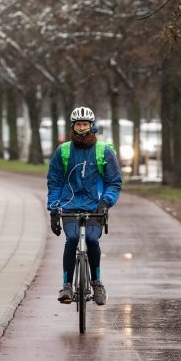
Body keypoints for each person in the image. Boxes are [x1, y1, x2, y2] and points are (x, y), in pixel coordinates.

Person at [47, 106, 122, 306]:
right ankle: (67, 286)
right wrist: (54, 209)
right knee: (72, 239)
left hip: (95, 206)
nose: (82, 128)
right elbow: (54, 182)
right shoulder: (63, 151)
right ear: (73, 126)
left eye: (85, 124)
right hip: (69, 205)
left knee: (91, 239)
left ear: (91, 126)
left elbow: (114, 182)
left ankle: (97, 283)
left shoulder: (103, 151)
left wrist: (106, 202)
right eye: (78, 124)